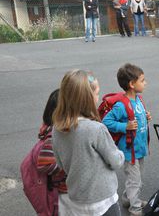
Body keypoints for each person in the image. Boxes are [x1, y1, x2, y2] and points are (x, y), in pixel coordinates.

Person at [52, 70, 124, 216]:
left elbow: (60, 163)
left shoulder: (57, 128)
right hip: (103, 200)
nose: (98, 98)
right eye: (97, 94)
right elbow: (115, 161)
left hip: (77, 199)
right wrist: (120, 153)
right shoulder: (95, 129)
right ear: (87, 98)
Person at [102, 64, 151, 216]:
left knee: (137, 179)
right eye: (142, 80)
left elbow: (137, 117)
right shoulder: (121, 105)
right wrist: (124, 126)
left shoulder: (139, 99)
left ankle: (127, 199)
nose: (145, 83)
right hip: (129, 151)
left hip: (140, 147)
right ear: (132, 84)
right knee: (134, 180)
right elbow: (106, 122)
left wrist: (146, 117)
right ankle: (135, 208)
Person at [35, 89, 67, 213]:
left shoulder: (50, 128)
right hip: (63, 190)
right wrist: (69, 165)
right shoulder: (55, 135)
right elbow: (44, 164)